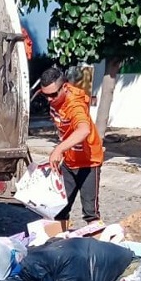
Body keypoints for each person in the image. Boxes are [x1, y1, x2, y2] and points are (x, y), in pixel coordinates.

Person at [39, 66, 105, 230]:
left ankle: (97, 248)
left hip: (88, 162)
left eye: (53, 94)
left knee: (91, 213)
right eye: (45, 95)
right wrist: (63, 151)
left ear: (65, 87)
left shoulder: (75, 104)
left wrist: (58, 149)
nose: (49, 99)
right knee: (59, 209)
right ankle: (58, 247)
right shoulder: (55, 101)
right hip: (69, 161)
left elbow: (84, 130)